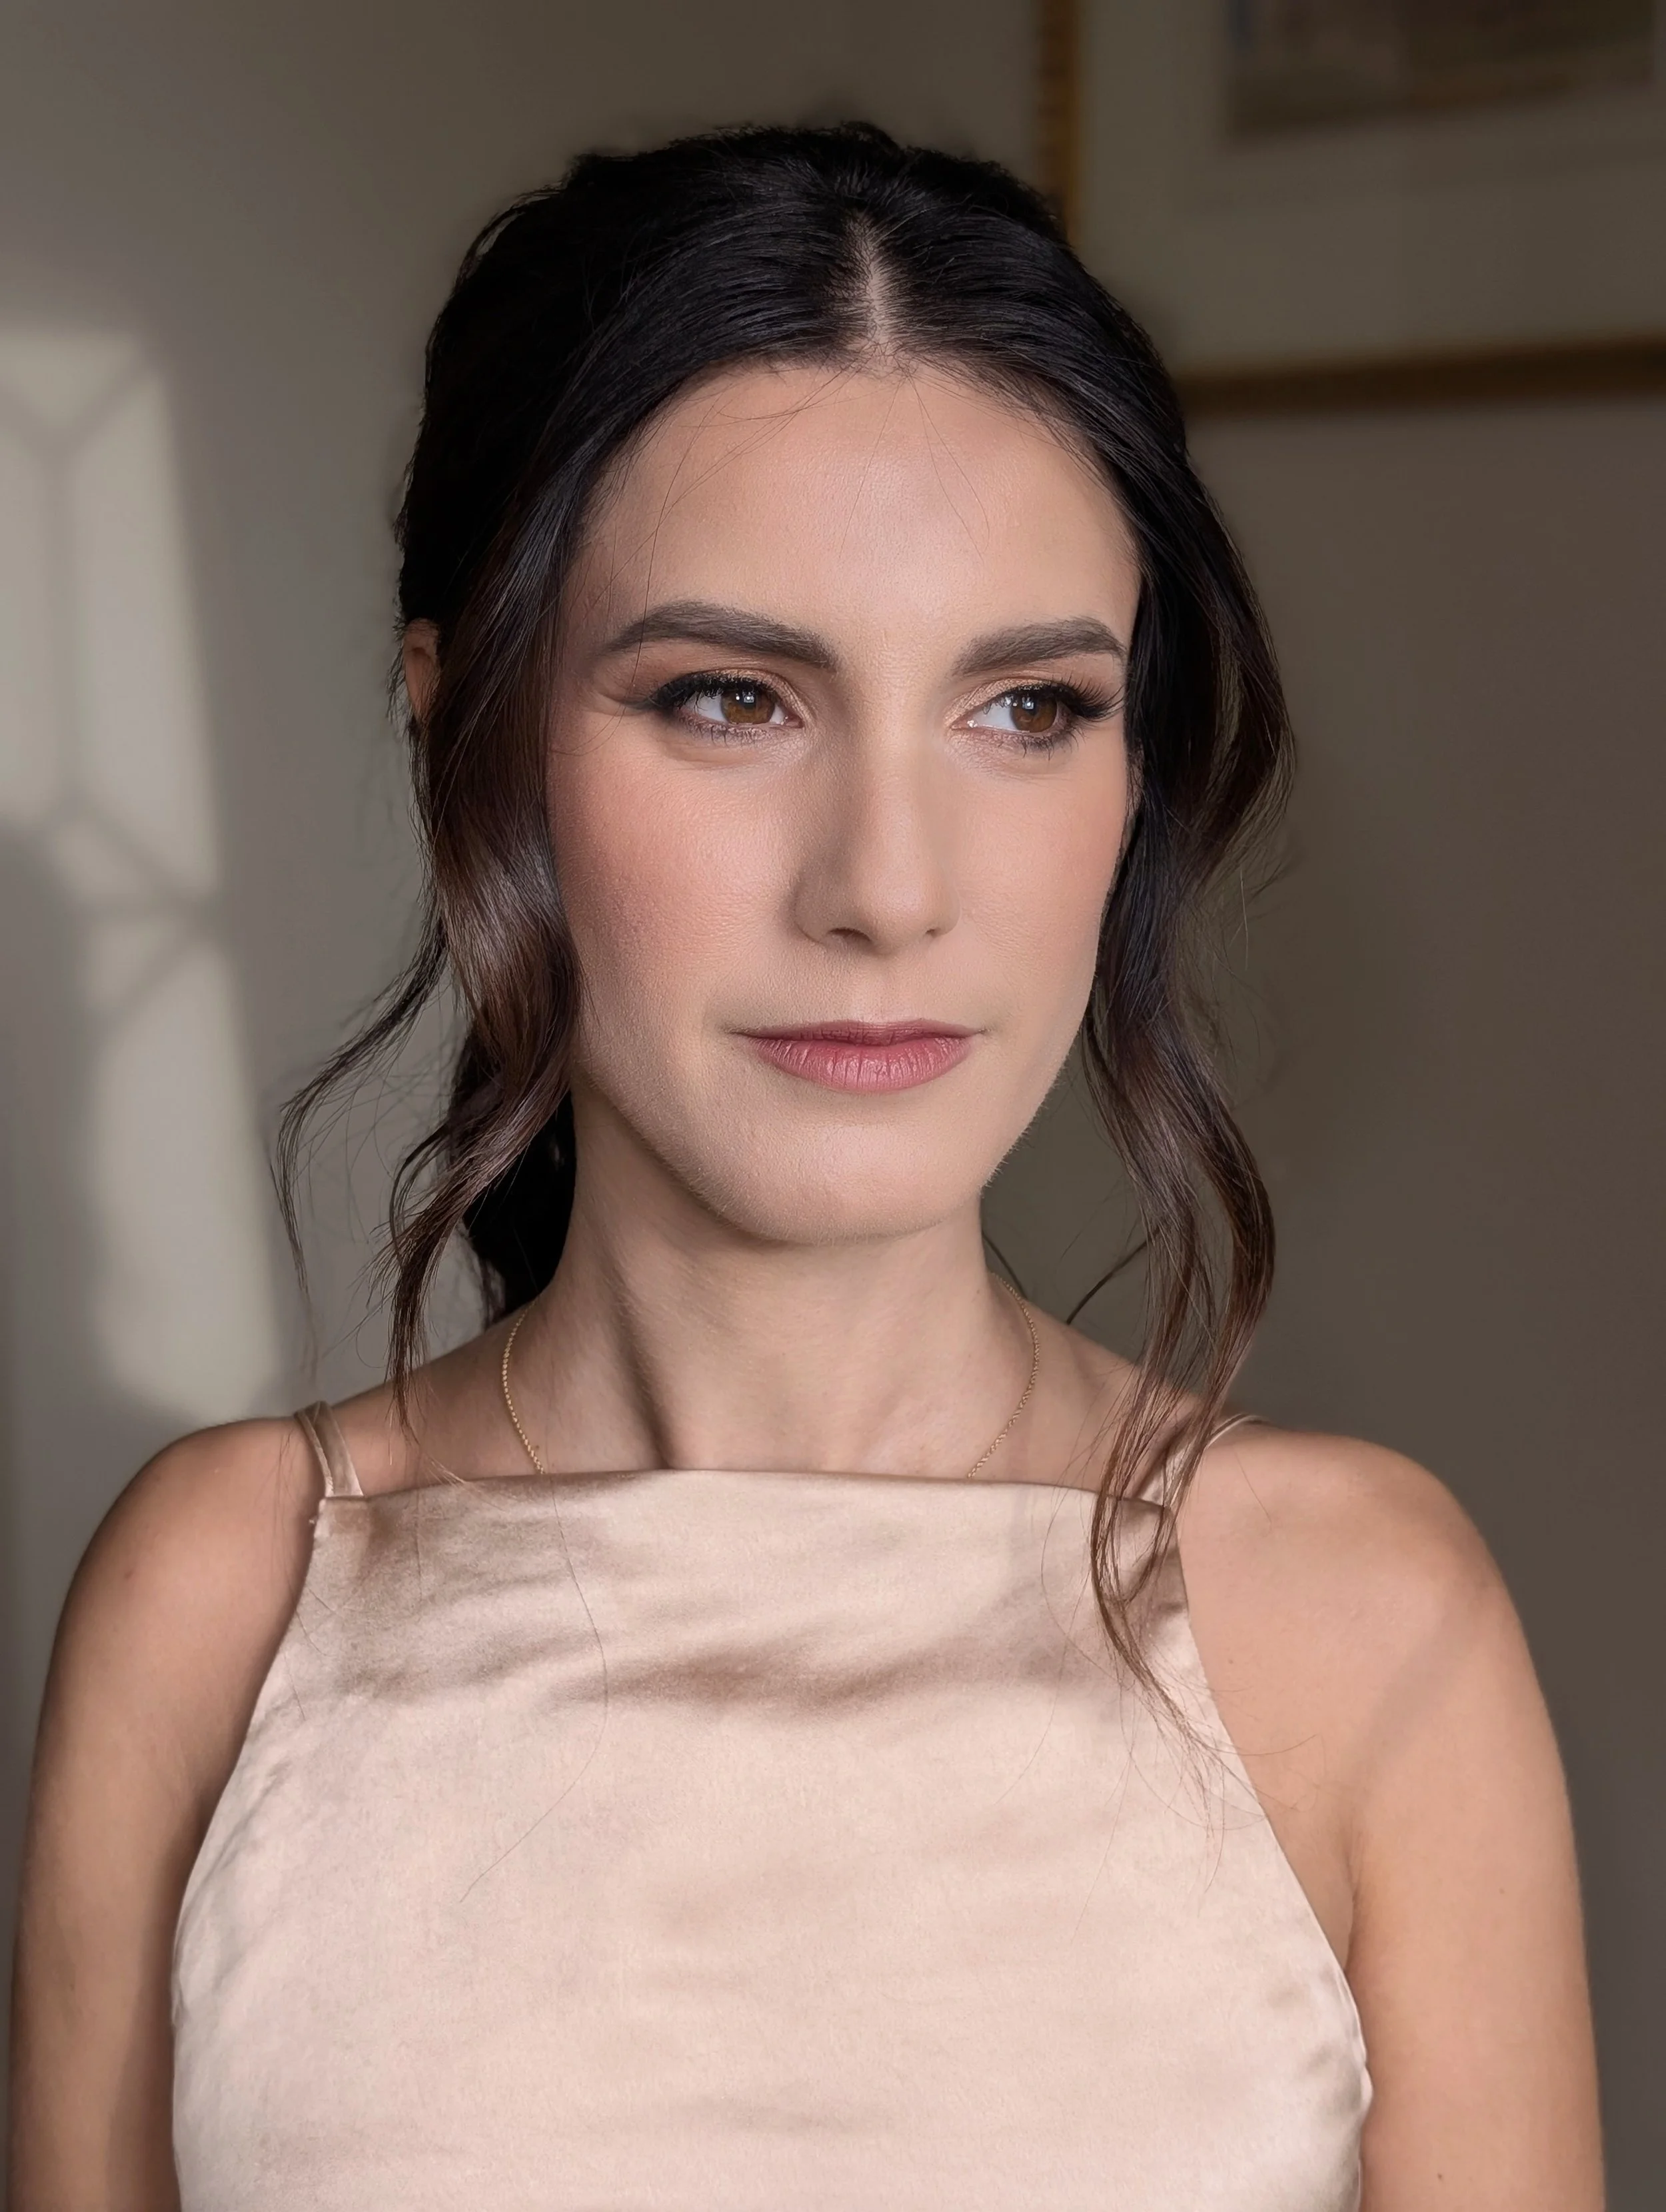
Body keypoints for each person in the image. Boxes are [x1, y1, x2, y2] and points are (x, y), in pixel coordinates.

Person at [9, 125, 1601, 2210]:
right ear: (458, 732)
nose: (887, 886)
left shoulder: (1358, 1618)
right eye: (733, 697)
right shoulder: (224, 1595)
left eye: (1024, 708)